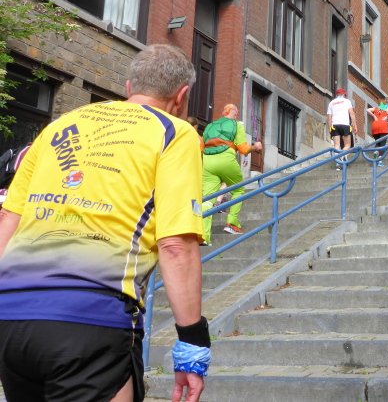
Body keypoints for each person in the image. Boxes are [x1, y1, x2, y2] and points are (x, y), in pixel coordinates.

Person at [0, 44, 208, 402]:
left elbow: (7, 219)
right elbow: (175, 245)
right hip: (92, 319)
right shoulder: (175, 132)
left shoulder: (58, 126)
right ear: (181, 96)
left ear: (129, 87)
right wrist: (193, 343)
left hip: (11, 317)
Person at [201, 104, 262, 242]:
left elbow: (201, 147)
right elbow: (243, 149)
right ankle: (231, 223)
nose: (237, 114)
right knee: (238, 190)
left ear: (224, 112)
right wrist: (255, 147)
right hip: (226, 160)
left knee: (208, 198)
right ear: (234, 112)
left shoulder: (209, 126)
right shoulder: (236, 125)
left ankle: (203, 236)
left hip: (207, 162)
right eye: (237, 112)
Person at [327, 88, 358, 171]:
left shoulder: (331, 103)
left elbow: (329, 118)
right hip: (345, 124)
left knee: (336, 146)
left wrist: (330, 131)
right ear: (344, 94)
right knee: (347, 145)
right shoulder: (347, 101)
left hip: (334, 125)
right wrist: (354, 126)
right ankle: (342, 156)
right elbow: (352, 114)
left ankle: (338, 163)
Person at [366, 101, 388, 166]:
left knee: (378, 143)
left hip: (375, 125)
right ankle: (380, 161)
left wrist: (374, 116)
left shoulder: (375, 108)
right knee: (382, 144)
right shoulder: (386, 108)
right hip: (383, 126)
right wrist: (387, 116)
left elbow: (367, 110)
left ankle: (376, 152)